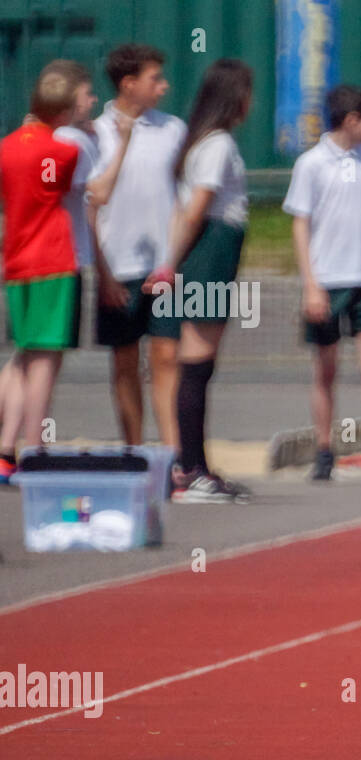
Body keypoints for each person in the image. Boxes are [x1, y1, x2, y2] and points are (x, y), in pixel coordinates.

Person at [283, 84, 361, 482]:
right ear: (352, 120)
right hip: (328, 280)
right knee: (326, 369)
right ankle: (323, 451)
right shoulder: (312, 163)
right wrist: (311, 284)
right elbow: (300, 225)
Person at [144, 59, 254, 502]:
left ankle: (193, 465)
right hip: (211, 253)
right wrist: (169, 265)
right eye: (247, 93)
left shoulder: (201, 142)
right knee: (197, 364)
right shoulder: (218, 144)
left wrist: (170, 263)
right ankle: (190, 469)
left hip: (210, 252)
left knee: (197, 364)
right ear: (234, 98)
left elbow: (184, 209)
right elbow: (195, 211)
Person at [89, 44, 186, 451]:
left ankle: (174, 455)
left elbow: (185, 201)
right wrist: (104, 275)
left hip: (165, 267)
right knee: (124, 363)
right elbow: (89, 208)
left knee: (167, 357)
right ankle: (133, 450)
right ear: (128, 84)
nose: (163, 87)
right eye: (154, 79)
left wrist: (173, 262)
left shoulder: (174, 130)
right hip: (118, 268)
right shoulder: (94, 134)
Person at [0, 61, 85, 482]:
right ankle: (35, 447)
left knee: (23, 355)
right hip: (53, 260)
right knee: (45, 361)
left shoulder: (6, 147)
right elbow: (71, 187)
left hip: (17, 261)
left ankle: (6, 446)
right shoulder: (65, 150)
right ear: (65, 112)